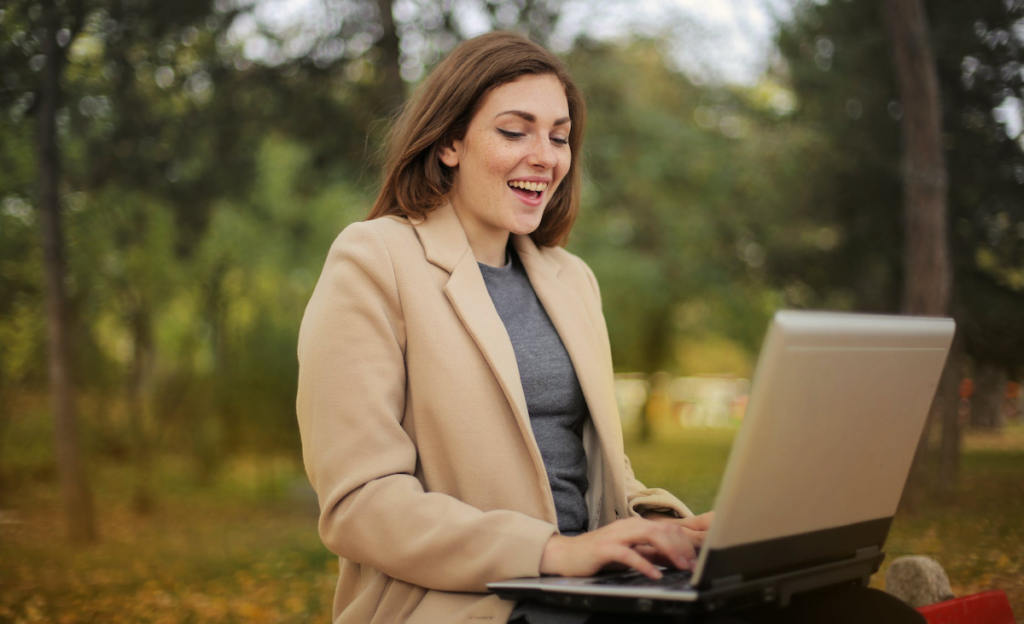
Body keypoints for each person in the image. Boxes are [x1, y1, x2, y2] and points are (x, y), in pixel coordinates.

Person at [296, 31, 923, 624]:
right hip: (468, 602)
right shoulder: (374, 260)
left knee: (870, 615)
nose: (544, 157)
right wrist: (553, 551)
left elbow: (606, 482)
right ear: (449, 143)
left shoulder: (571, 281)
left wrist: (670, 528)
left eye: (560, 137)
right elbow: (362, 504)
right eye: (515, 131)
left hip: (591, 589)